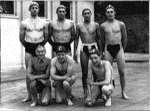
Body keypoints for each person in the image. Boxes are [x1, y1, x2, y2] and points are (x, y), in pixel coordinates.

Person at [19, 1, 49, 102]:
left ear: (38, 9)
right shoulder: (24, 23)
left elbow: (46, 37)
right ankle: (29, 95)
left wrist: (40, 46)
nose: (35, 9)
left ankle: (42, 93)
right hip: (29, 47)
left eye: (36, 7)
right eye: (33, 8)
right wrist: (28, 45)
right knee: (29, 72)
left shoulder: (44, 22)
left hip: (40, 47)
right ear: (29, 9)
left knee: (42, 70)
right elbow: (21, 38)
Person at [100, 4, 128, 99]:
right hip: (108, 49)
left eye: (111, 12)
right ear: (105, 14)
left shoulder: (121, 24)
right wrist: (102, 52)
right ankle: (108, 92)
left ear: (115, 13)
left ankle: (123, 92)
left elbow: (124, 38)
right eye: (108, 12)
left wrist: (122, 50)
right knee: (108, 72)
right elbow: (102, 40)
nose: (110, 13)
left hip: (119, 48)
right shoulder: (103, 25)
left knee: (122, 72)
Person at [74, 8, 102, 98]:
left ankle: (97, 90)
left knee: (96, 70)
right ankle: (85, 90)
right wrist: (75, 51)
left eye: (88, 13)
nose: (86, 15)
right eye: (85, 13)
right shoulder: (79, 26)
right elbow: (76, 39)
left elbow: (99, 38)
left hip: (94, 47)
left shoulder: (96, 25)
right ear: (83, 15)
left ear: (91, 14)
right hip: (84, 47)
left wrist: (101, 51)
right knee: (84, 71)